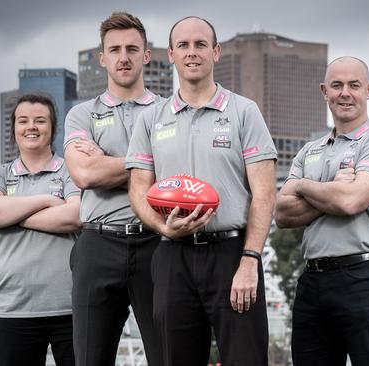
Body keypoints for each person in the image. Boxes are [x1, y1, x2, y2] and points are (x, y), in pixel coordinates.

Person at [126, 16, 276, 366]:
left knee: (247, 359)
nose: (192, 52)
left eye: (200, 45)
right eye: (183, 45)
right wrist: (162, 226)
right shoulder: (151, 119)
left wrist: (250, 260)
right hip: (171, 254)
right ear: (171, 55)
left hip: (232, 254)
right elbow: (137, 190)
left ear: (216, 52)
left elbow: (265, 194)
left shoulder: (244, 112)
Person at [275, 56, 369, 366]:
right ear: (324, 91)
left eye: (354, 85)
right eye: (337, 85)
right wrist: (331, 187)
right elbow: (282, 213)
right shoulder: (311, 149)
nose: (344, 93)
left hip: (367, 279)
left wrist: (304, 186)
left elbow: (351, 201)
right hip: (313, 281)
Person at [63, 11, 162, 366]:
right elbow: (85, 174)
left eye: (132, 49)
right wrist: (149, 163)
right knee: (90, 357)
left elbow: (181, 174)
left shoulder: (169, 112)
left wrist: (111, 161)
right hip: (97, 244)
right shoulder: (81, 115)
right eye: (115, 49)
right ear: (102, 57)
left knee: (168, 355)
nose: (124, 57)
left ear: (146, 55)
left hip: (157, 242)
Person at [0, 94, 80, 366]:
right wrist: (45, 201)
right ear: (14, 129)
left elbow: (76, 215)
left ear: (53, 128)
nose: (31, 126)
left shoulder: (71, 171)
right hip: (10, 309)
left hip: (70, 307)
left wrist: (9, 213)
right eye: (23, 121)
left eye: (40, 120)